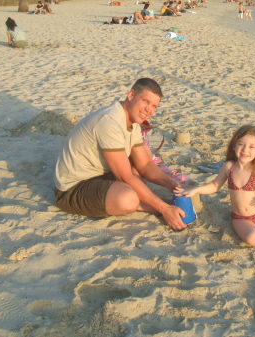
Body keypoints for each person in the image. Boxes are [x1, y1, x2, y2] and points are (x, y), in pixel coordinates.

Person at [54, 78, 187, 231]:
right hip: (71, 188)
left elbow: (145, 166)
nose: (149, 110)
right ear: (131, 95)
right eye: (145, 102)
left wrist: (172, 184)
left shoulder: (133, 123)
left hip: (99, 175)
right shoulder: (110, 121)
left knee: (137, 170)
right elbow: (125, 177)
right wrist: (163, 208)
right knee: (128, 198)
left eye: (154, 106)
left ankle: (156, 205)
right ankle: (150, 207)